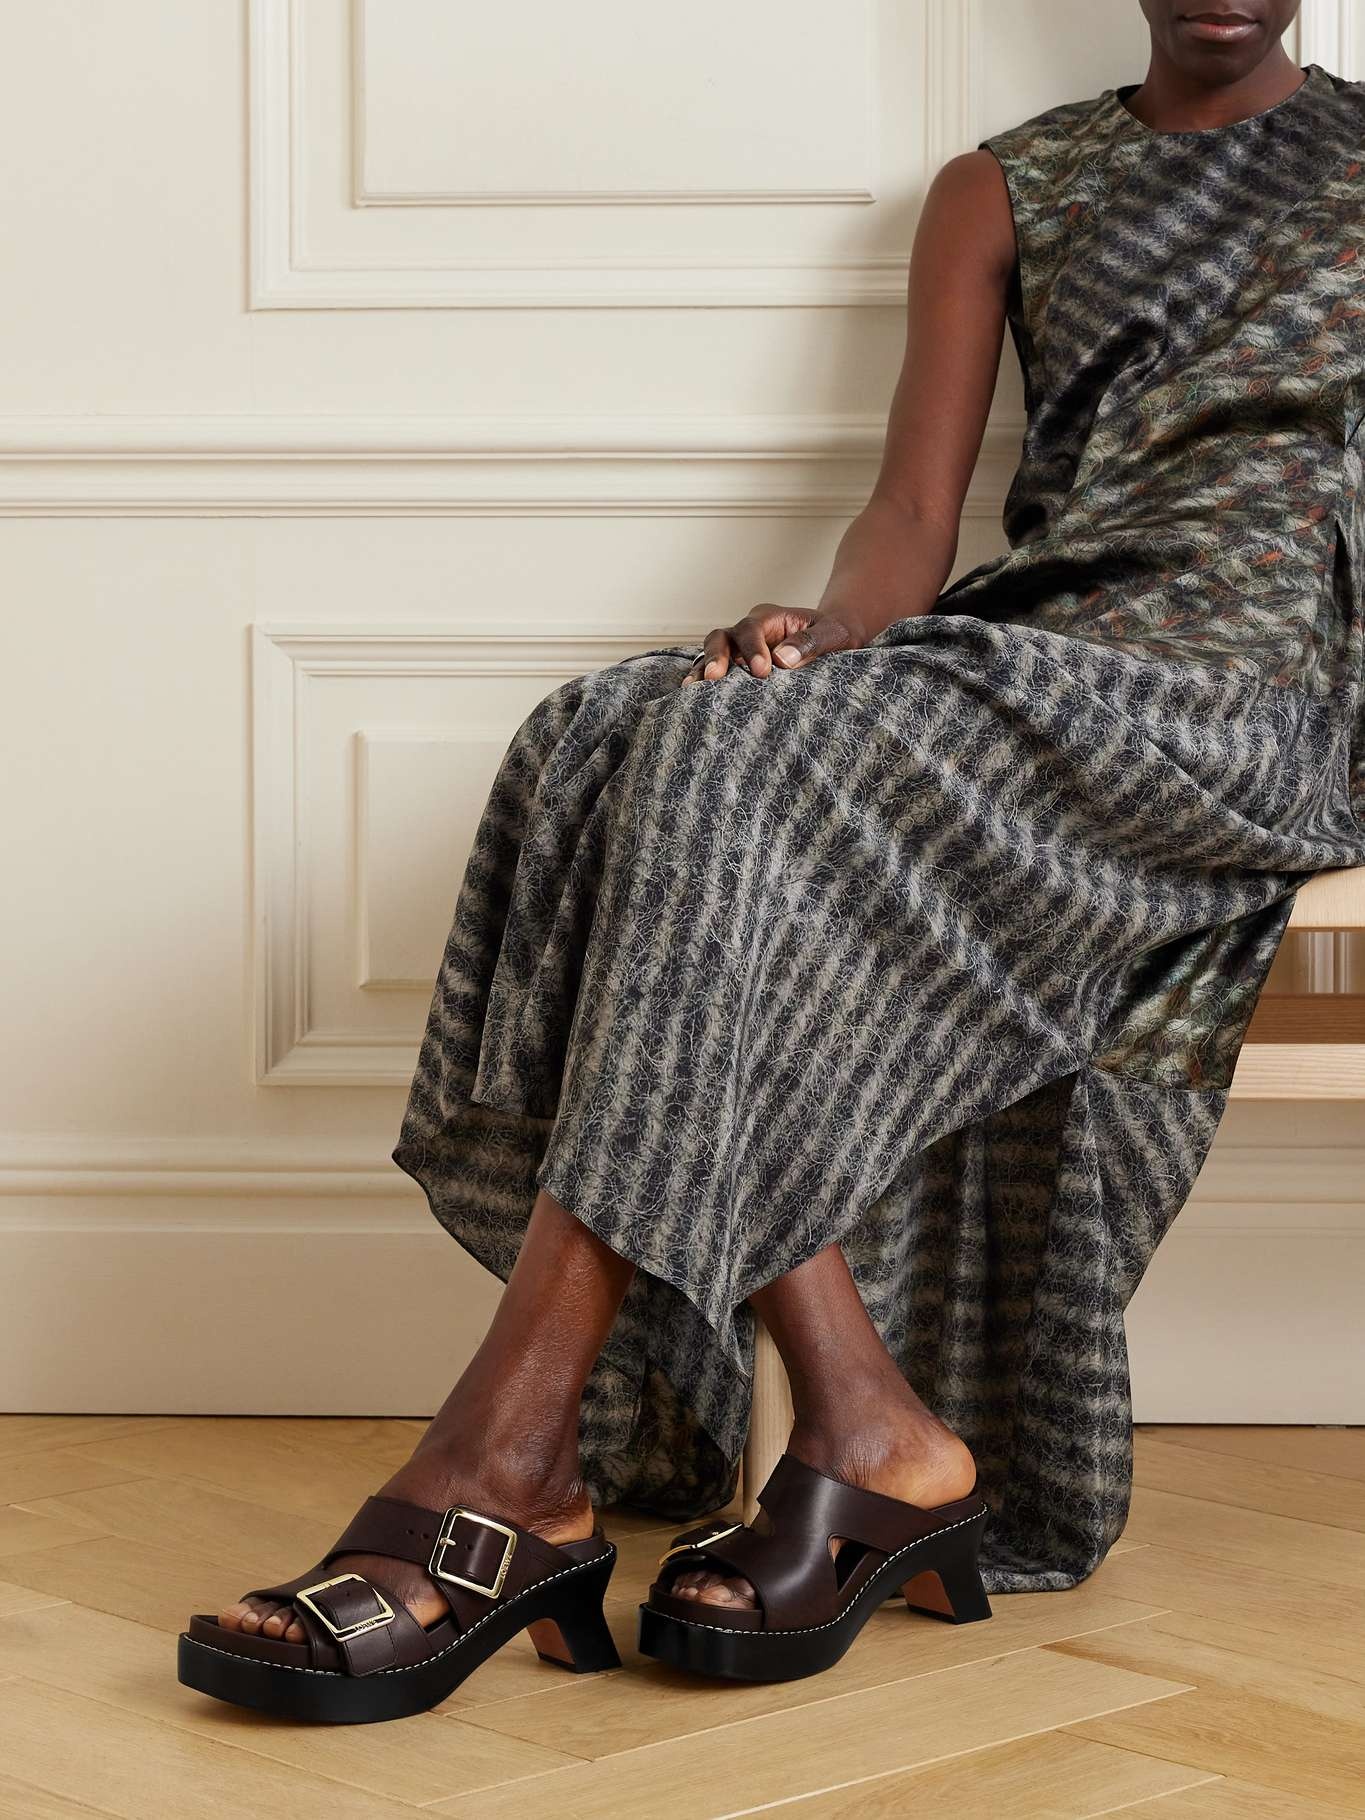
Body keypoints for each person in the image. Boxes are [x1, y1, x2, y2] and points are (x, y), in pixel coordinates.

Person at [180, 0, 1365, 1720]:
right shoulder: (1004, 186)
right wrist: (824, 647)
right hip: (1035, 645)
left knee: (711, 763)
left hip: (1254, 695)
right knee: (635, 726)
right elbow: (910, 515)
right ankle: (864, 1423)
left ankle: (505, 1470)